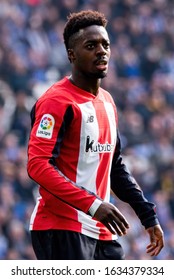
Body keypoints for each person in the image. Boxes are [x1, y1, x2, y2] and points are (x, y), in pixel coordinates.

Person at [27, 10, 164, 260]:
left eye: (106, 44)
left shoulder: (108, 102)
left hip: (103, 232)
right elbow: (37, 165)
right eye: (91, 46)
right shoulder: (56, 102)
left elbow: (115, 166)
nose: (101, 51)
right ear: (72, 54)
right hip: (62, 227)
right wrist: (93, 205)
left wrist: (147, 215)